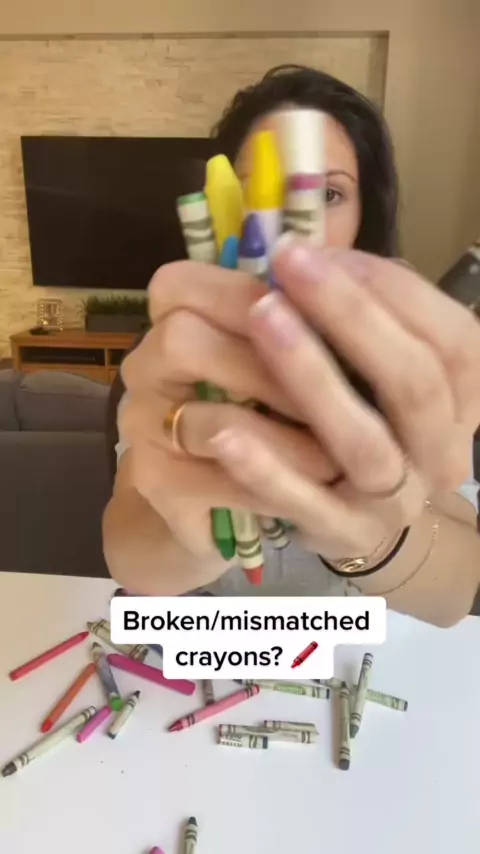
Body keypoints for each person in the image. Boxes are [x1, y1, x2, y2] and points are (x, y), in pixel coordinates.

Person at [103, 65, 480, 626]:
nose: (289, 225)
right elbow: (128, 555)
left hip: (351, 651)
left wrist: (365, 535)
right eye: (258, 189)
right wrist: (200, 523)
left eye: (329, 193)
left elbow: (457, 592)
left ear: (364, 215)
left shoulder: (408, 357)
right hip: (213, 647)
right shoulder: (178, 353)